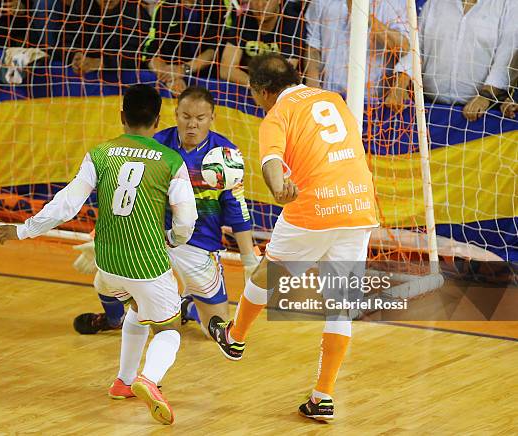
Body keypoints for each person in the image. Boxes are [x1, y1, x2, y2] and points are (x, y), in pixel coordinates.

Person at [0, 84, 197, 425]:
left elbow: (67, 205)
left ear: (122, 117)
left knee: (136, 309)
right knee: (170, 329)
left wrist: (22, 230)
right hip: (146, 264)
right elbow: (186, 221)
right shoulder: (171, 161)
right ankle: (149, 379)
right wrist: (173, 240)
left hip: (106, 266)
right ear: (159, 119)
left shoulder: (100, 153)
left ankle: (124, 382)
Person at [208, 53, 378, 421]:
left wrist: (277, 189)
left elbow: (271, 163)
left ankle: (235, 337)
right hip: (360, 203)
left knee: (267, 275)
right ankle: (323, 396)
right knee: (340, 305)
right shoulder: (333, 98)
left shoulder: (275, 116)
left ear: (261, 90)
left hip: (314, 206)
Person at [73, 86, 259, 337]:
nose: (192, 124)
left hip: (199, 244)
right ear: (176, 114)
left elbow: (236, 208)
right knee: (105, 280)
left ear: (212, 118)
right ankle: (114, 319)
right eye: (186, 116)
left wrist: (248, 259)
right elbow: (124, 195)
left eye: (200, 118)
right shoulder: (156, 145)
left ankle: (187, 306)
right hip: (151, 238)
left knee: (214, 331)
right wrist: (99, 237)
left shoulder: (226, 155)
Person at [385, 0, 518, 121]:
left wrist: (485, 96)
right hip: (429, 110)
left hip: (481, 115)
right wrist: (400, 85)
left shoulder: (509, 4)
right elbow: (416, 49)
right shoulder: (434, 3)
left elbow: (506, 59)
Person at [304, 0, 408, 97]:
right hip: (329, 96)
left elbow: (404, 47)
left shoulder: (395, 3)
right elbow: (313, 46)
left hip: (374, 102)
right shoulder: (321, 2)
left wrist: (364, 15)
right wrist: (313, 87)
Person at [141, 0, 235, 94]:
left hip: (210, 80)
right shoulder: (165, 7)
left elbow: (214, 50)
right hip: (173, 76)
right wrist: (169, 77)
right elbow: (151, 54)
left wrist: (184, 69)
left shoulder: (216, 5)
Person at [220, 0, 306, 86]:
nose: (260, 4)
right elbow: (225, 69)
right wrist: (256, 86)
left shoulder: (293, 22)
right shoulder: (243, 20)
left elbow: (283, 74)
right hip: (252, 87)